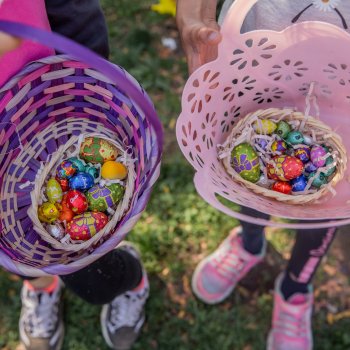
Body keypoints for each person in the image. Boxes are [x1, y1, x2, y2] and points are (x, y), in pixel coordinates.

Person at [176, 1, 350, 349]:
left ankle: (295, 289)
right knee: (254, 181)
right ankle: (250, 244)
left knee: (327, 208)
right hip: (263, 67)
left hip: (342, 101)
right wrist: (194, 13)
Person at [0, 1, 149, 349]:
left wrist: (87, 72)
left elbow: (72, 8)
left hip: (47, 114)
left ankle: (130, 279)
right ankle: (39, 286)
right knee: (16, 250)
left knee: (94, 282)